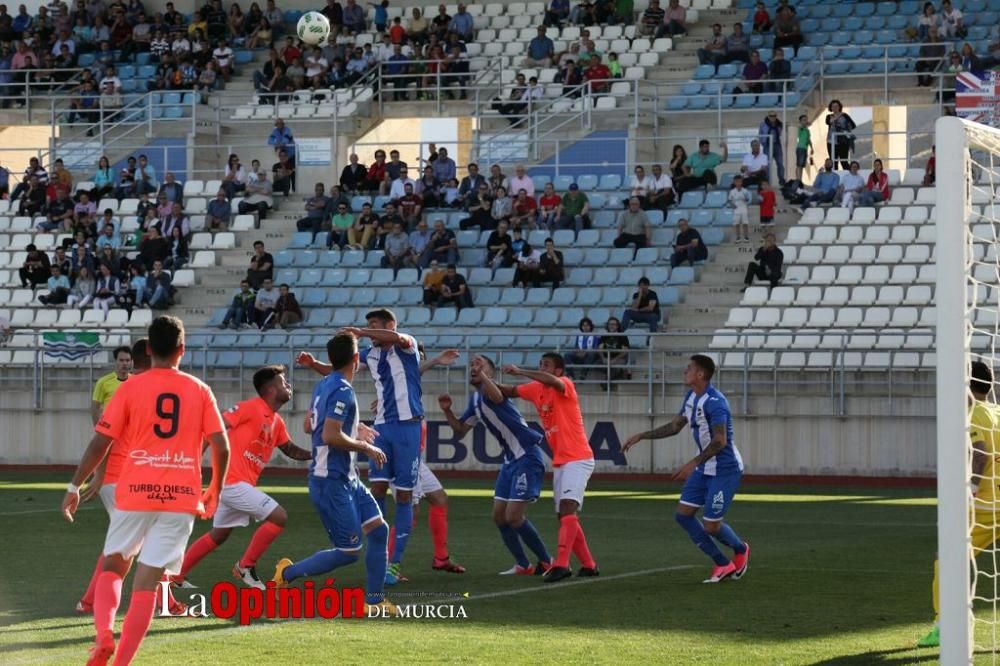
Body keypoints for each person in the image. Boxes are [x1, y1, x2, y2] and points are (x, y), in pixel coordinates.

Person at [61, 316, 229, 665]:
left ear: (148, 349)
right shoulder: (200, 390)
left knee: (113, 567)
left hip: (135, 491)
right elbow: (221, 446)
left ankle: (104, 635)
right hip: (181, 497)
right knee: (147, 584)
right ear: (182, 350)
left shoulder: (129, 388)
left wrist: (75, 485)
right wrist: (214, 489)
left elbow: (100, 442)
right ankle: (120, 662)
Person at [298, 310, 425, 585]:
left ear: (390, 326)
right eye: (367, 326)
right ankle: (373, 549)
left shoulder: (407, 345)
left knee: (403, 496)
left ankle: (393, 564)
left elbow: (390, 341)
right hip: (382, 426)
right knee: (377, 488)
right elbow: (340, 369)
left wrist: (361, 333)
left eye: (375, 325)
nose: (369, 330)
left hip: (407, 427)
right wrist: (312, 363)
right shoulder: (368, 355)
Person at [272, 333, 396, 613]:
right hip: (330, 481)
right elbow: (328, 434)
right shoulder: (341, 389)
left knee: (379, 531)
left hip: (347, 478)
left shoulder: (324, 385)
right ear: (356, 360)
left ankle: (374, 601)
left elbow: (308, 426)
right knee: (349, 552)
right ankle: (287, 574)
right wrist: (364, 445)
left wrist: (354, 426)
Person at [174, 365, 310, 589]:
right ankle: (245, 566)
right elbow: (215, 426)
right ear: (271, 389)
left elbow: (290, 450)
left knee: (219, 535)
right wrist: (195, 460)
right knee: (279, 517)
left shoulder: (277, 422)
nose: (288, 386)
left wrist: (321, 452)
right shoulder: (249, 408)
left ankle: (178, 575)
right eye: (284, 382)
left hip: (237, 484)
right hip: (232, 482)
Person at [621, 354, 749, 584]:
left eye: (689, 368)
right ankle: (722, 563)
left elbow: (720, 441)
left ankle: (740, 549)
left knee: (711, 527)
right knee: (683, 516)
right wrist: (642, 435)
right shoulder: (691, 396)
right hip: (704, 467)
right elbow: (674, 426)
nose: (684, 371)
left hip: (724, 469)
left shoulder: (715, 402)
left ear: (700, 374)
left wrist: (693, 463)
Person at [438, 355, 552, 575]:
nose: (474, 367)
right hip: (510, 461)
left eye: (479, 364)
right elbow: (460, 430)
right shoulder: (475, 400)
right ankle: (523, 565)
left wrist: (484, 377)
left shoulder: (494, 391)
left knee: (513, 517)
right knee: (499, 516)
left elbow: (498, 396)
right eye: (472, 365)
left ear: (490, 372)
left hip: (527, 456)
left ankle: (547, 560)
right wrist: (447, 411)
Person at [494, 354, 599, 583]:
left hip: (579, 457)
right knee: (564, 514)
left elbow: (551, 382)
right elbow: (509, 391)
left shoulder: (565, 385)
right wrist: (483, 378)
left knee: (568, 509)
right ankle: (589, 565)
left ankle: (561, 565)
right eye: (541, 364)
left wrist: (521, 371)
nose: (542, 368)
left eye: (547, 365)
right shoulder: (536, 388)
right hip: (561, 461)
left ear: (559, 371)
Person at [918, 361, 998, 648]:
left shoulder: (973, 413)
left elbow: (980, 452)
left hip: (985, 508)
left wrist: (971, 489)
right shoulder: (998, 411)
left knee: (946, 557)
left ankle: (944, 625)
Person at [825, 100, 856, 170]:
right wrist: (838, 116)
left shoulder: (845, 116)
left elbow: (853, 125)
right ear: (831, 108)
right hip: (831, 141)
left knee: (844, 161)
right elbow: (828, 122)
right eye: (833, 106)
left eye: (836, 106)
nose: (835, 108)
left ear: (839, 107)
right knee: (833, 161)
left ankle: (849, 177)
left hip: (843, 141)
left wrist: (845, 129)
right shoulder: (829, 116)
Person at [729, 175, 752, 244]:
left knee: (745, 223)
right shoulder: (732, 191)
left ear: (741, 182)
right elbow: (730, 200)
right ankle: (738, 237)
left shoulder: (745, 191)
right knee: (737, 224)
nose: (738, 183)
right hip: (736, 209)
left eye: (739, 181)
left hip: (744, 208)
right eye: (736, 182)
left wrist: (745, 198)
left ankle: (746, 237)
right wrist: (732, 205)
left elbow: (748, 199)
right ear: (734, 182)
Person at [794, 113, 813, 182]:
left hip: (805, 149)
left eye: (806, 120)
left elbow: (808, 139)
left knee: (802, 165)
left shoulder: (807, 130)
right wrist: (804, 124)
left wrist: (811, 147)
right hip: (800, 148)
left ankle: (800, 179)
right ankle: (798, 179)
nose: (806, 121)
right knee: (799, 165)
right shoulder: (800, 128)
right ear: (801, 121)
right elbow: (800, 127)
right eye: (804, 120)